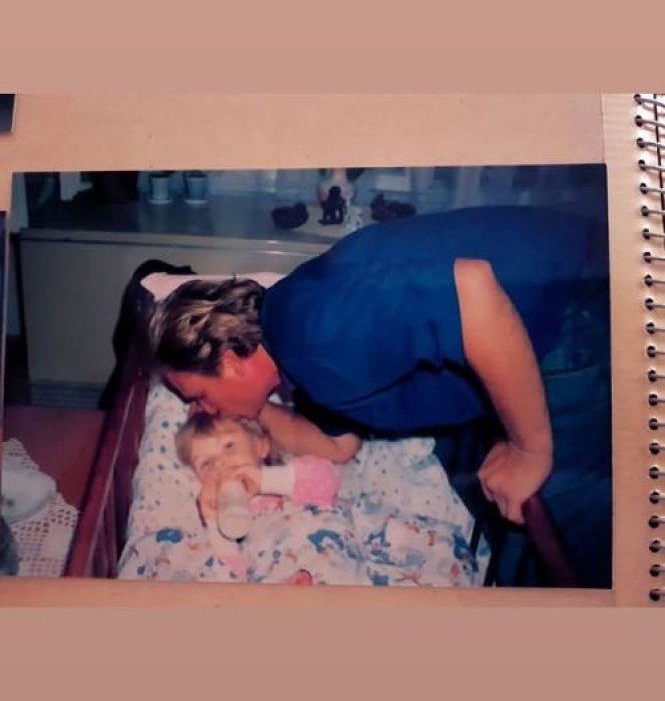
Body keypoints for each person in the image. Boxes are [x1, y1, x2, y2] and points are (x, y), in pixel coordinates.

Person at [149, 206, 606, 531]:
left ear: (230, 362)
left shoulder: (313, 335)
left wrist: (529, 449)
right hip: (553, 307)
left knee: (568, 533)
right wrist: (254, 421)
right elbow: (337, 445)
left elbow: (473, 288)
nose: (204, 410)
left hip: (572, 311)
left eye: (198, 396)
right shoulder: (292, 337)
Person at [176, 411, 341, 541]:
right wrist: (212, 523)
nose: (220, 464)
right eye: (207, 463)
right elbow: (228, 570)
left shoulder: (290, 477)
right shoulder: (222, 518)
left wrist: (264, 480)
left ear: (261, 446)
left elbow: (328, 479)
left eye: (229, 446)